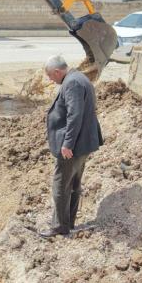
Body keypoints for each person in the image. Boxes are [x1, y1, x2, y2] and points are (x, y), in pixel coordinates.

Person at [40, 55, 103, 238]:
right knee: (74, 183)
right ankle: (68, 222)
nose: (51, 80)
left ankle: (60, 226)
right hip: (82, 142)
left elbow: (74, 116)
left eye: (51, 76)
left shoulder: (73, 83)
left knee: (61, 184)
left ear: (58, 71)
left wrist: (67, 143)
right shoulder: (78, 78)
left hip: (74, 145)